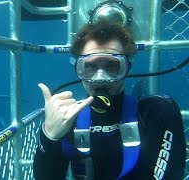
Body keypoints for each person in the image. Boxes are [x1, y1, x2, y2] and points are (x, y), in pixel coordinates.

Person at [33, 21, 186, 179]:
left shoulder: (156, 111)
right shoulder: (68, 120)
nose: (100, 78)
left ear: (127, 68)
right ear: (78, 69)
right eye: (90, 67)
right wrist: (49, 136)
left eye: (112, 66)